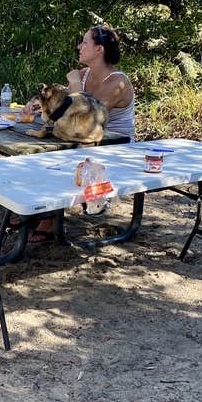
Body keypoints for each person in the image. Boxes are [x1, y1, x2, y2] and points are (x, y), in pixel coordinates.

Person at [23, 23, 136, 242]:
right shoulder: (84, 74)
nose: (79, 46)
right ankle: (37, 213)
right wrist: (38, 105)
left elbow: (90, 116)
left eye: (85, 42)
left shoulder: (118, 82)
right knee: (35, 154)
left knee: (54, 159)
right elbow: (61, 105)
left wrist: (74, 83)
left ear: (99, 49)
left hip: (116, 148)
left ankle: (50, 220)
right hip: (83, 141)